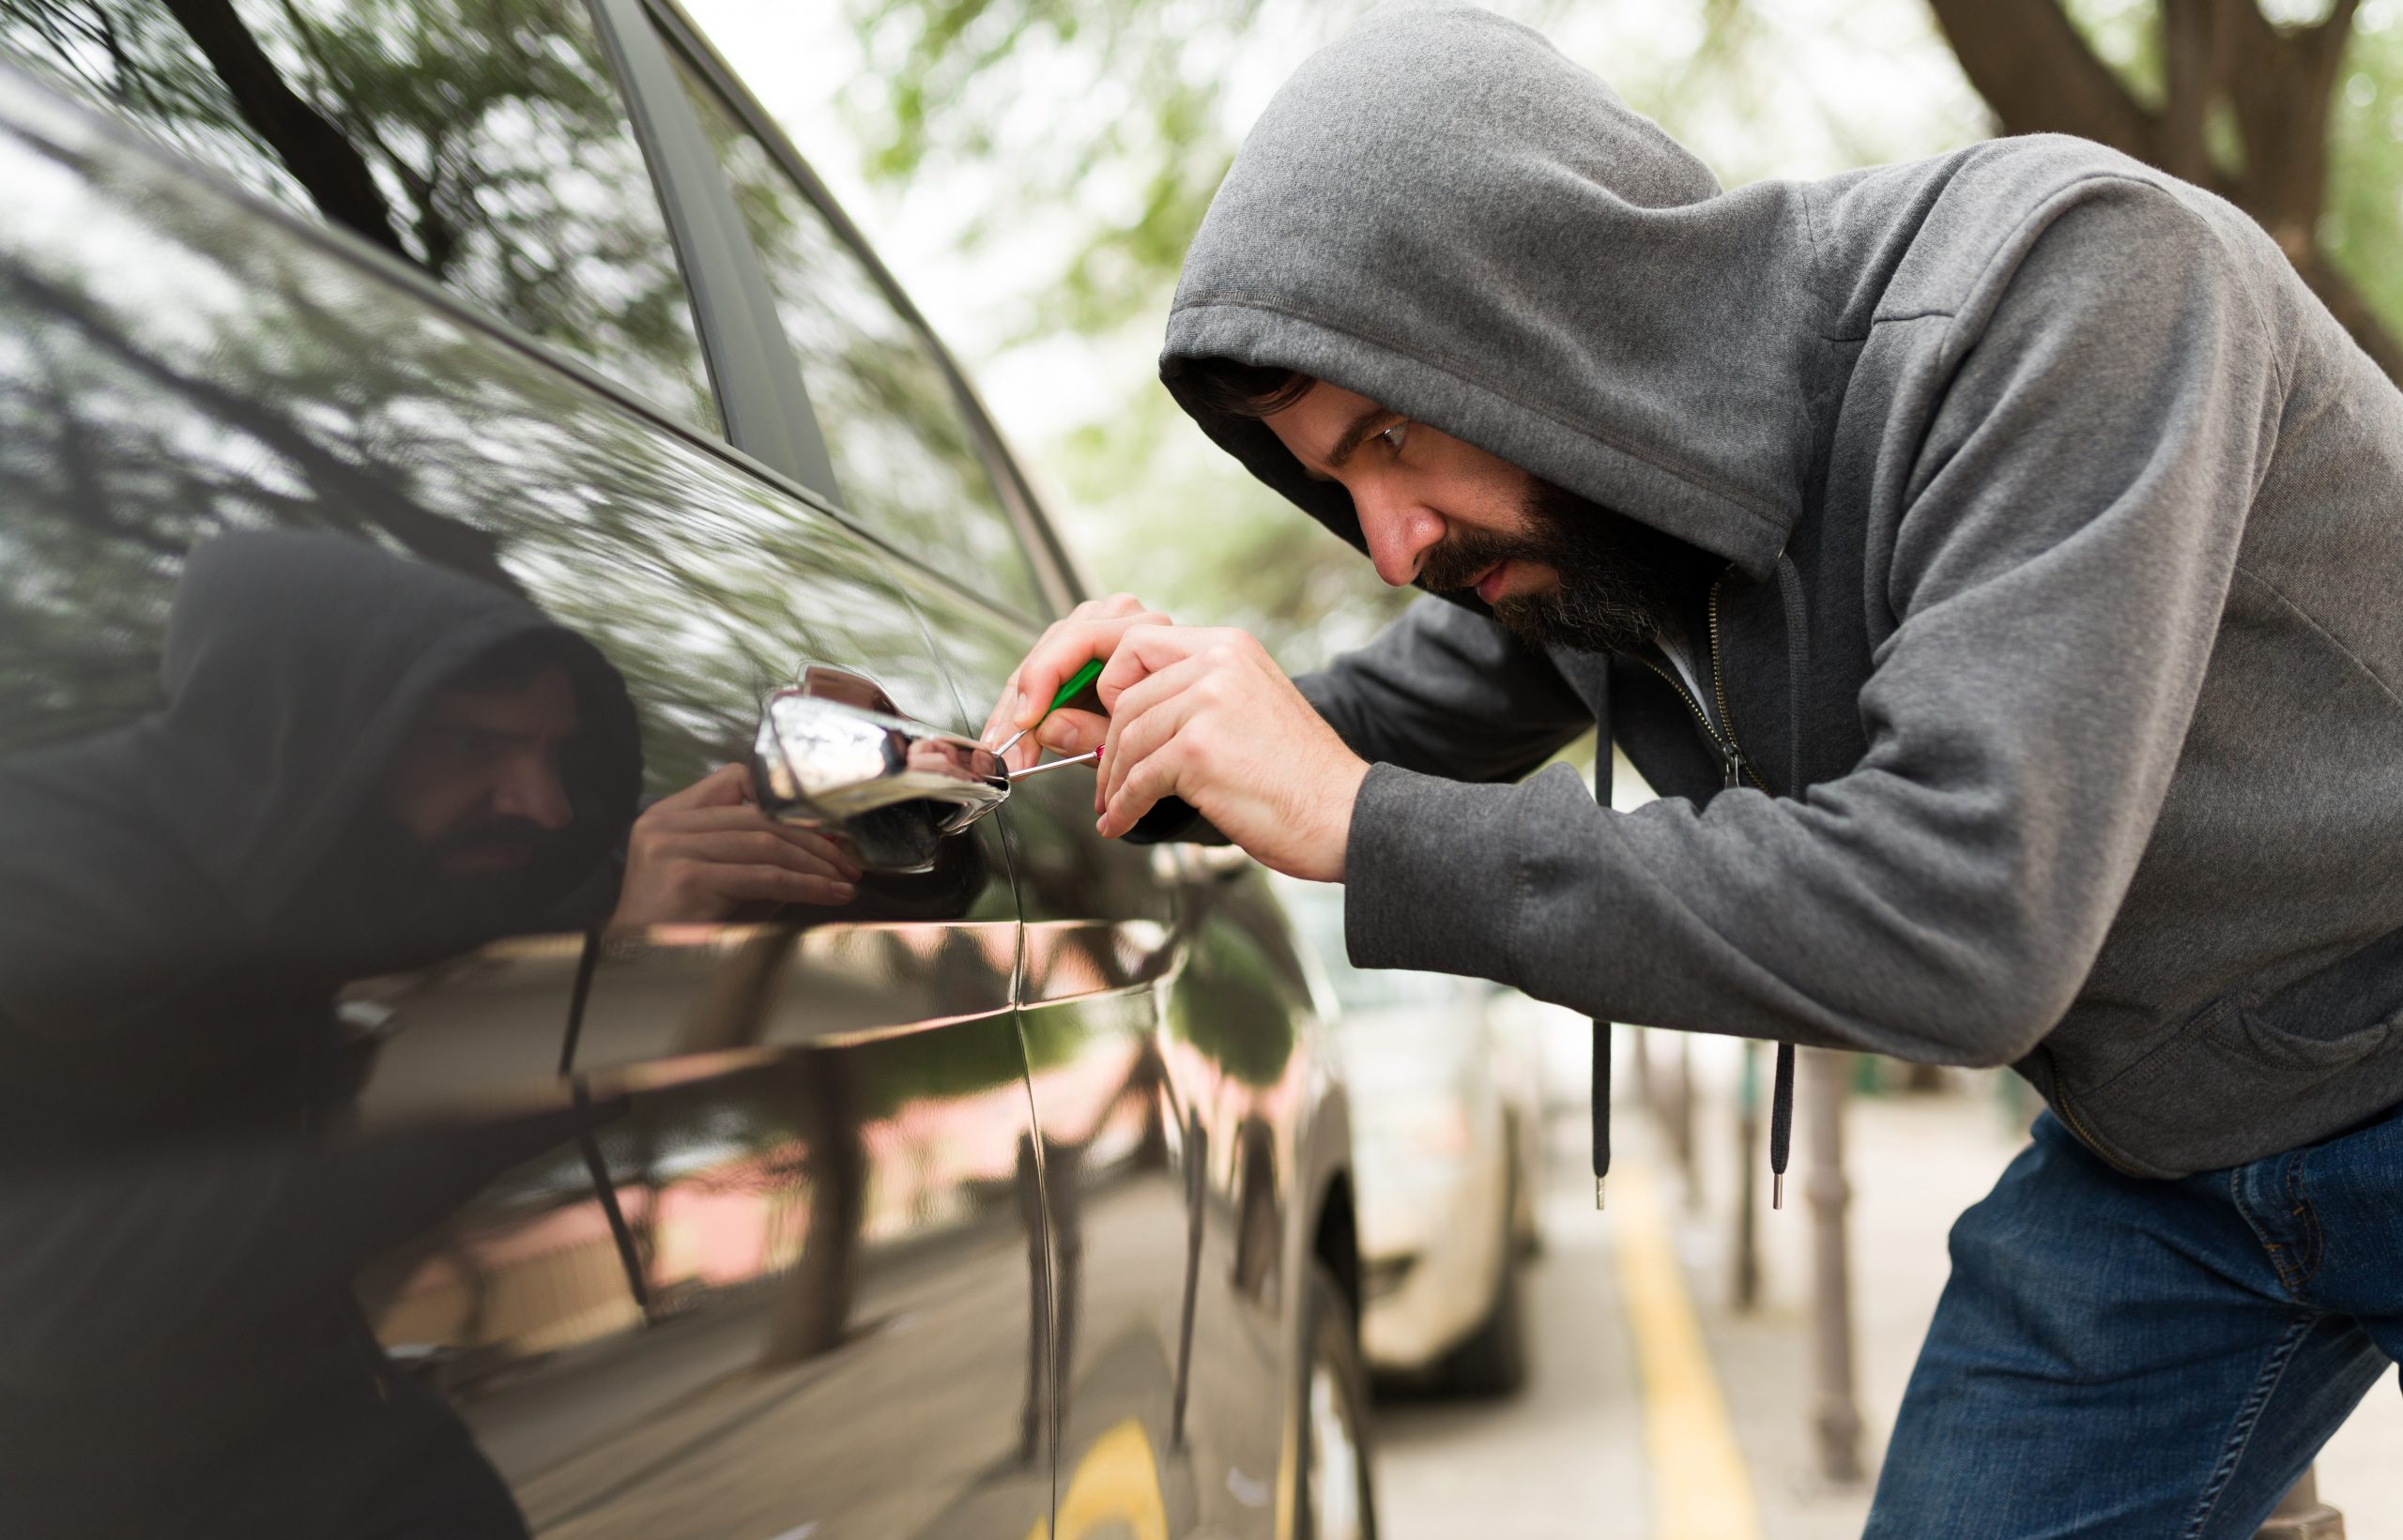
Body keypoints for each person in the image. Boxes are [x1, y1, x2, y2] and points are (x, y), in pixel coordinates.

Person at [986, 5, 2403, 1534]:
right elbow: (1341, 736)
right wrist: (1118, 738)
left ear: (1546, 319)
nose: (1392, 546)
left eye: (1391, 435)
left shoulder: (2071, 285)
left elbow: (1962, 912)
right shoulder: (1602, 549)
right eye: (1336, 477)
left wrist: (1362, 826)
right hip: (2169, 1164)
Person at [0, 530, 846, 1536]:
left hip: (361, 1431)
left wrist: (840, 784)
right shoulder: (47, 879)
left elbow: (613, 870)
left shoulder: (367, 847)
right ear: (318, 734)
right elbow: (58, 1296)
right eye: (470, 745)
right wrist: (601, 1013)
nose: (542, 804)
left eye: (554, 752)